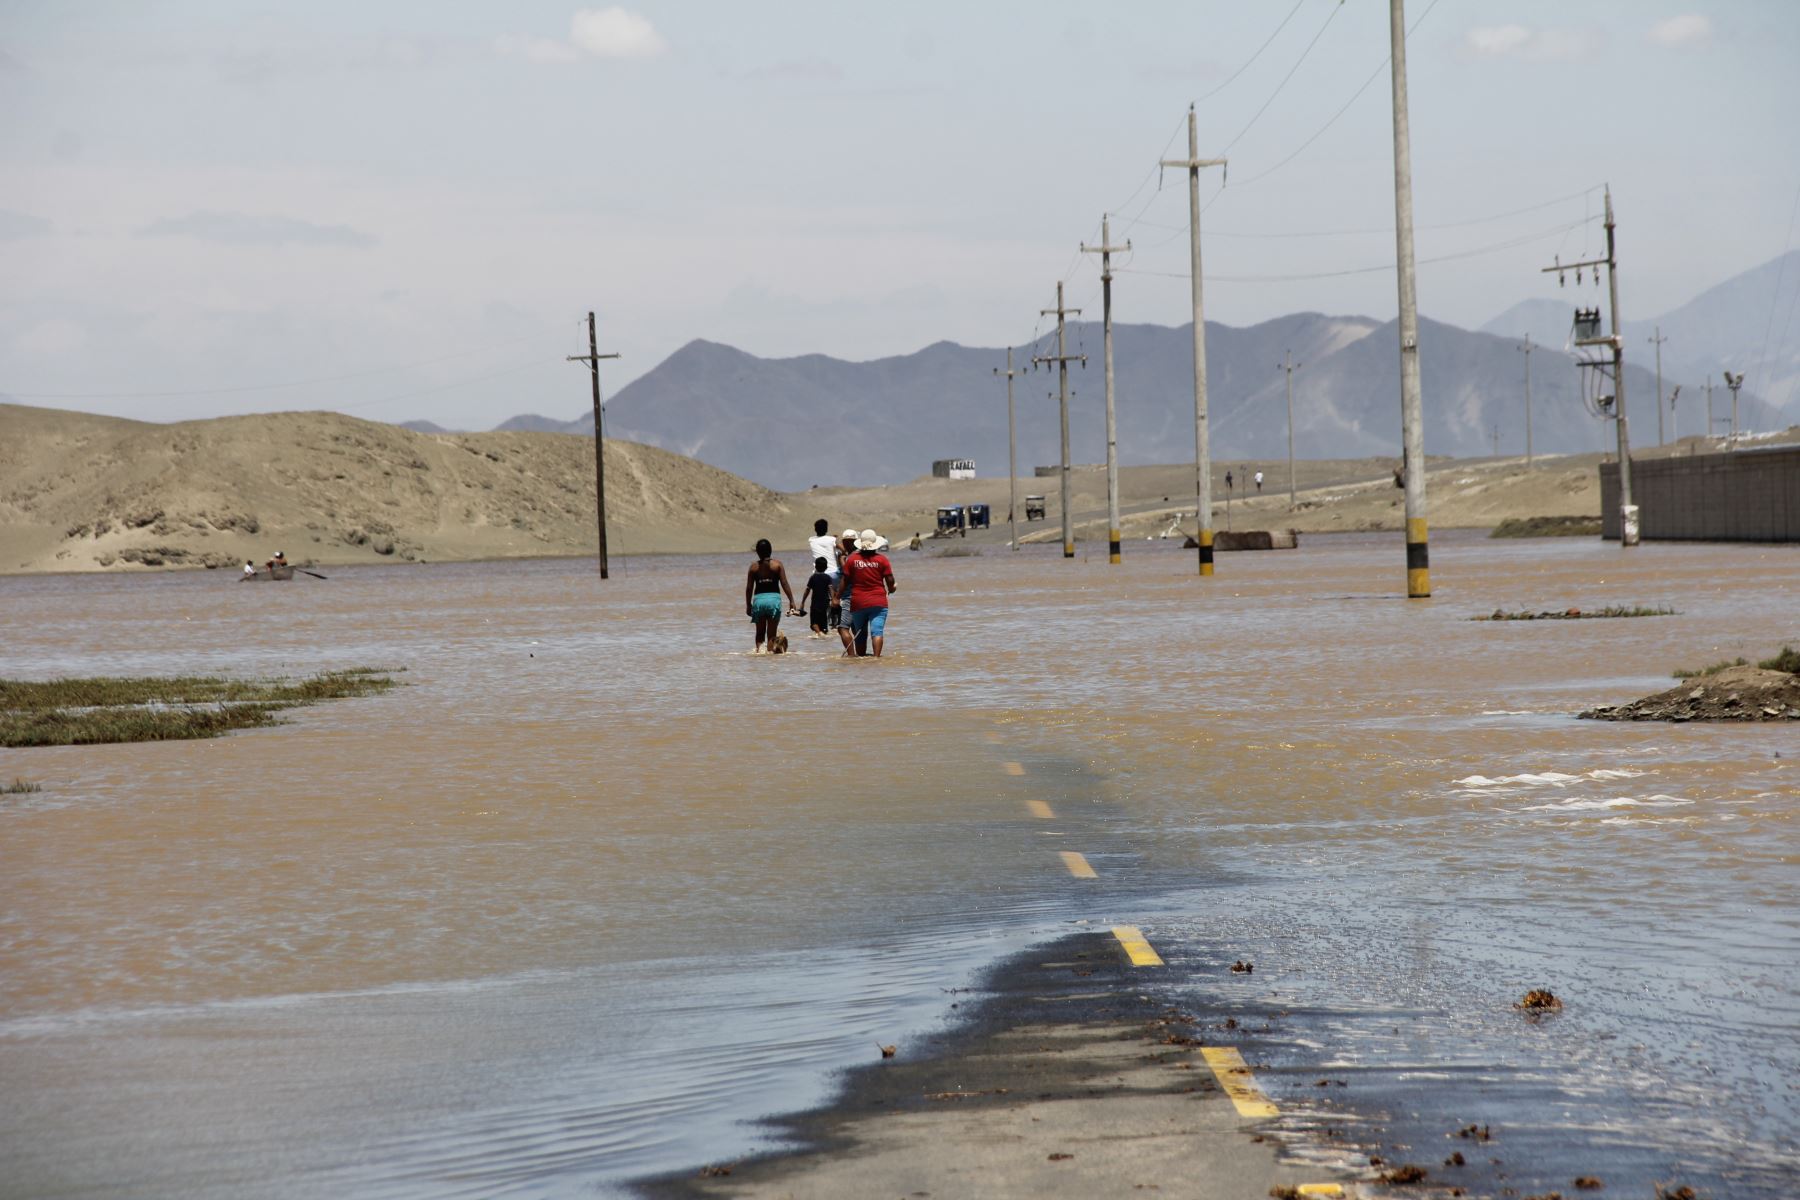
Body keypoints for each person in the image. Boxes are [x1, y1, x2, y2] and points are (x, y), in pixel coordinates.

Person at [833, 528, 896, 658]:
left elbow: (845, 580)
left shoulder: (852, 560)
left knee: (860, 634)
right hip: (878, 602)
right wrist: (892, 589)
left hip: (858, 602)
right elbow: (890, 581)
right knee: (877, 632)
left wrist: (837, 597)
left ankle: (860, 659)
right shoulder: (882, 560)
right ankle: (876, 659)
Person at [745, 539, 795, 654]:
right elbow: (784, 583)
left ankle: (759, 653)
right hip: (774, 601)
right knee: (771, 634)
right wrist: (791, 600)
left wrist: (748, 605)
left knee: (759, 633)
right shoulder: (777, 565)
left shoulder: (753, 567)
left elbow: (749, 588)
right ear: (770, 550)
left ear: (757, 552)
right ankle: (770, 657)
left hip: (759, 601)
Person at [807, 519, 839, 608]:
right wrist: (836, 539)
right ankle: (836, 609)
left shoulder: (811, 540)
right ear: (826, 529)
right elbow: (843, 549)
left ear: (815, 529)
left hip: (818, 575)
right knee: (836, 595)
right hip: (834, 573)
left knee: (820, 598)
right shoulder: (833, 539)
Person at [800, 556, 833, 637]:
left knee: (814, 623)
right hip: (825, 603)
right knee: (824, 623)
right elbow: (831, 589)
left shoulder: (813, 577)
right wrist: (833, 599)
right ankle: (823, 634)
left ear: (815, 567)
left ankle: (819, 634)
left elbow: (807, 590)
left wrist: (803, 602)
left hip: (815, 604)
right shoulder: (828, 578)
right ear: (826, 567)